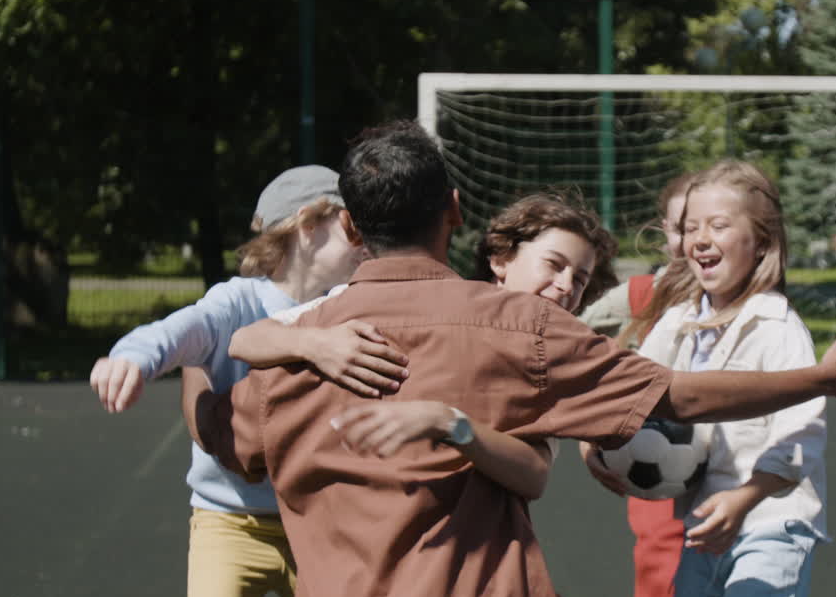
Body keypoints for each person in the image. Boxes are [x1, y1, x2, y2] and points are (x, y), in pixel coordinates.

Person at [187, 119, 836, 597]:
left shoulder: (294, 349)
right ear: (456, 212)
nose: (564, 286)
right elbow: (673, 397)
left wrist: (197, 342)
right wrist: (819, 379)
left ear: (351, 227)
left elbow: (219, 433)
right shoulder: (521, 330)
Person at [87, 165, 407, 597]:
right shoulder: (236, 301)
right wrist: (132, 356)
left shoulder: (349, 307)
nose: (366, 240)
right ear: (307, 225)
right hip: (229, 522)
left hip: (321, 526)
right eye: (353, 226)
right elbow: (181, 331)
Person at [201, 190, 620, 501]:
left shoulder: (547, 359)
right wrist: (317, 344)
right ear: (500, 259)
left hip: (464, 548)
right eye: (554, 265)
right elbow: (246, 339)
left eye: (580, 279)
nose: (566, 286)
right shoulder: (421, 300)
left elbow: (533, 476)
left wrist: (453, 426)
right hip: (353, 514)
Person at [642, 159, 827, 597]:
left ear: (762, 242)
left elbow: (802, 432)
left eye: (719, 226)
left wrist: (747, 496)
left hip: (770, 523)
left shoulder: (778, 327)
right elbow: (630, 386)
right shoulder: (679, 323)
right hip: (706, 524)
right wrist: (597, 449)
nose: (701, 237)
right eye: (691, 226)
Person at [577, 170, 696, 597]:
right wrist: (590, 430)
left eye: (711, 223)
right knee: (663, 596)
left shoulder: (760, 305)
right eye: (681, 225)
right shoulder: (644, 294)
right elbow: (573, 340)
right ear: (663, 232)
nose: (695, 238)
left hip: (740, 478)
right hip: (664, 480)